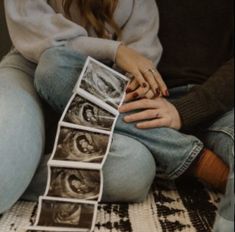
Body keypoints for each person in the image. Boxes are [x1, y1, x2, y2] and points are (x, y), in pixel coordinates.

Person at [0, 0, 233, 231]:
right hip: (35, 70)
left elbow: (142, 56)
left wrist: (139, 81)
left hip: (103, 96)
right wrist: (116, 50)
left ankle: (31, 161)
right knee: (3, 179)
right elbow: (47, 46)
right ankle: (192, 158)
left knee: (134, 169)